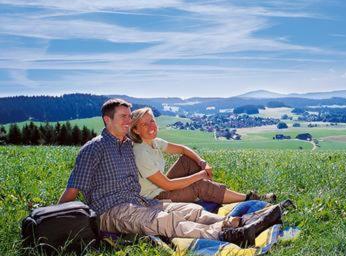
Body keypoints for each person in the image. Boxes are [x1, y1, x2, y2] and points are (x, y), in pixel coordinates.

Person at [58, 98, 277, 246]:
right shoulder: (93, 148)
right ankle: (227, 234)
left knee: (190, 210)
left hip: (139, 201)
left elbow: (165, 146)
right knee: (165, 221)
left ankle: (234, 222)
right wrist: (57, 217)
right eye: (124, 117)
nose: (128, 120)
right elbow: (72, 190)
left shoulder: (127, 145)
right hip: (111, 210)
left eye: (129, 116)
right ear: (108, 120)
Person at [129, 107, 276, 205]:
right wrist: (199, 176)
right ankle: (249, 199)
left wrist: (202, 162)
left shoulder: (154, 142)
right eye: (144, 124)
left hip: (161, 188)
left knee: (189, 161)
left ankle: (216, 192)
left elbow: (182, 149)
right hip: (155, 198)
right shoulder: (141, 152)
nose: (151, 126)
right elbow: (168, 185)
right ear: (135, 130)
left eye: (152, 121)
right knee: (199, 184)